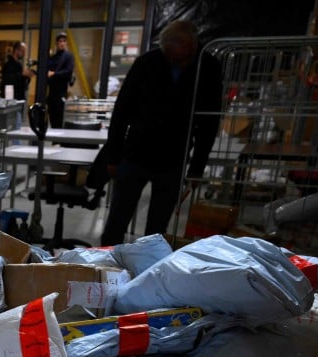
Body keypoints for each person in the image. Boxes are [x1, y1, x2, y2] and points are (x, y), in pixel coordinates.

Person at [98, 20, 223, 247]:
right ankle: (103, 263)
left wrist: (196, 168)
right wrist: (113, 155)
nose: (179, 59)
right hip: (137, 151)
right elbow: (121, 112)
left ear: (193, 46)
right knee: (117, 219)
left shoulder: (207, 66)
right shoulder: (147, 63)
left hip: (174, 155)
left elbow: (209, 121)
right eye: (172, 51)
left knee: (157, 229)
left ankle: (149, 268)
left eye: (184, 52)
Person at [46, 33, 75, 128]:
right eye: (60, 41)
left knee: (59, 119)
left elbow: (68, 71)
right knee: (52, 119)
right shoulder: (53, 57)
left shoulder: (68, 56)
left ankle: (59, 142)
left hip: (61, 92)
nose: (62, 43)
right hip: (51, 93)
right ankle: (55, 142)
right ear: (57, 43)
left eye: (64, 41)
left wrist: (54, 73)